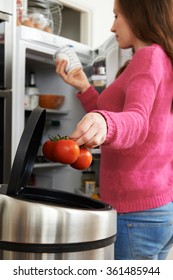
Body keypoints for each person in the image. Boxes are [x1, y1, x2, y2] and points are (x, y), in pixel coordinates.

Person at [56, 0, 173, 260]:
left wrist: (106, 123)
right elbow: (130, 116)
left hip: (136, 214)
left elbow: (137, 121)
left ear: (138, 14)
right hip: (159, 206)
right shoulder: (161, 59)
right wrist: (85, 87)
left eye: (117, 16)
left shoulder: (148, 57)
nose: (112, 27)